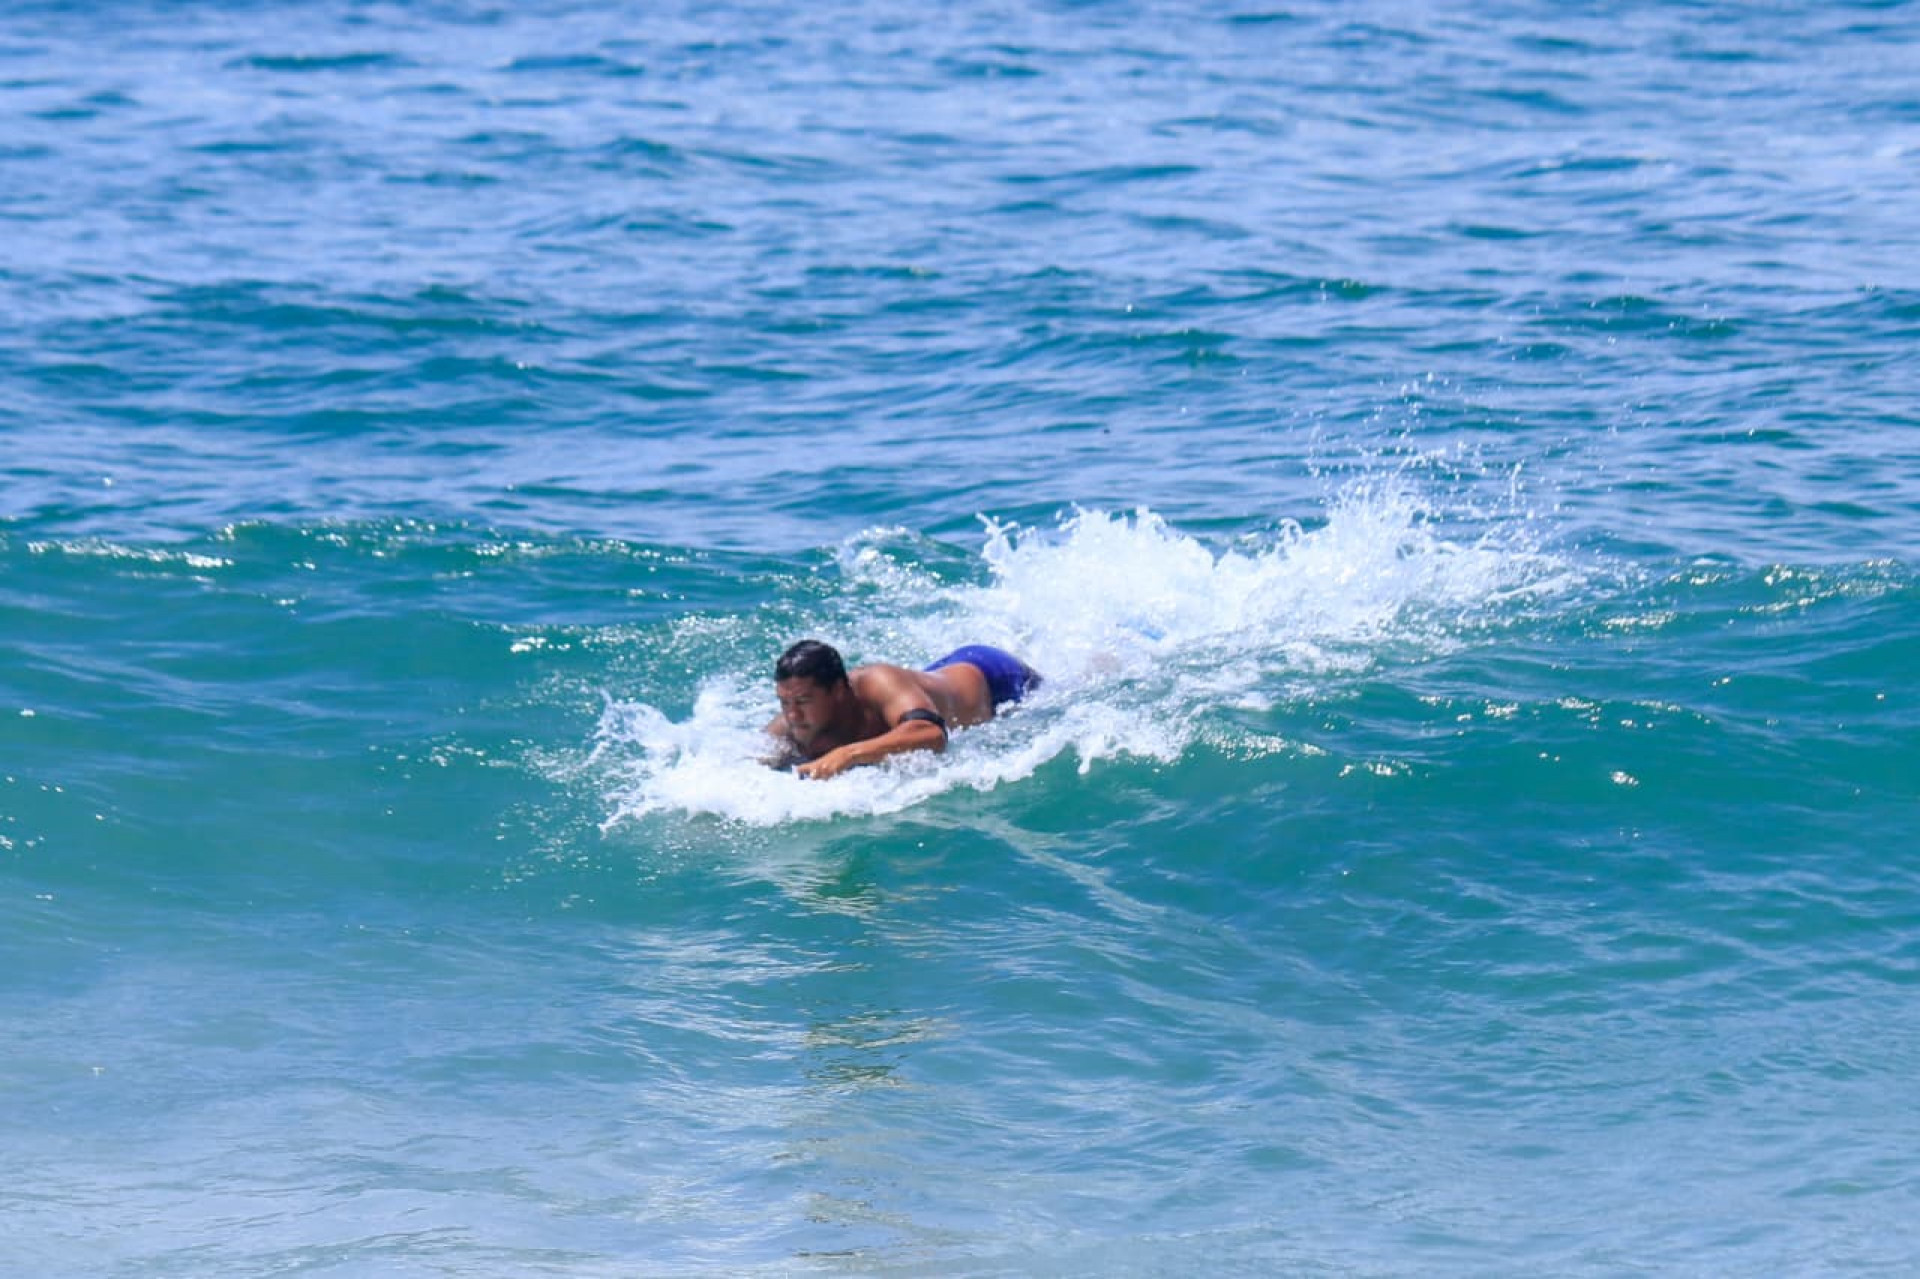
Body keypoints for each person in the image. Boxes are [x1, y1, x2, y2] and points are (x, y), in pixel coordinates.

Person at [766, 639, 1042, 779]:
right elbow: (745, 763)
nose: (792, 715)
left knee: (1069, 691)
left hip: (992, 678)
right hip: (927, 689)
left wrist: (848, 754)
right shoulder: (793, 723)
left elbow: (932, 733)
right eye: (784, 702)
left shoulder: (878, 681)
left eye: (802, 702)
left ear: (838, 689)